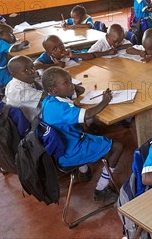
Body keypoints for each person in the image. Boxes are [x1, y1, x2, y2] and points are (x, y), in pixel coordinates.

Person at [41, 67, 123, 202]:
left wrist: (72, 88)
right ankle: (101, 189)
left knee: (93, 135)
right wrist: (105, 101)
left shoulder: (50, 101)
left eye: (70, 80)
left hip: (63, 145)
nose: (71, 85)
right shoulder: (59, 108)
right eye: (66, 83)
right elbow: (88, 114)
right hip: (70, 151)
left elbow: (78, 92)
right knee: (117, 147)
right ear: (54, 89)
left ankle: (84, 172)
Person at [0, 24, 29, 88]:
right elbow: (14, 49)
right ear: (1, 34)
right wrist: (22, 44)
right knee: (22, 76)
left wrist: (12, 39)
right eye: (11, 34)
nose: (13, 36)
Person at [5, 56, 43, 122]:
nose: (32, 71)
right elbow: (46, 96)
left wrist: (34, 79)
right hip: (35, 122)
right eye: (25, 70)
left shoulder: (20, 81)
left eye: (32, 67)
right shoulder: (19, 90)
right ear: (14, 75)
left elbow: (40, 89)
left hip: (36, 114)